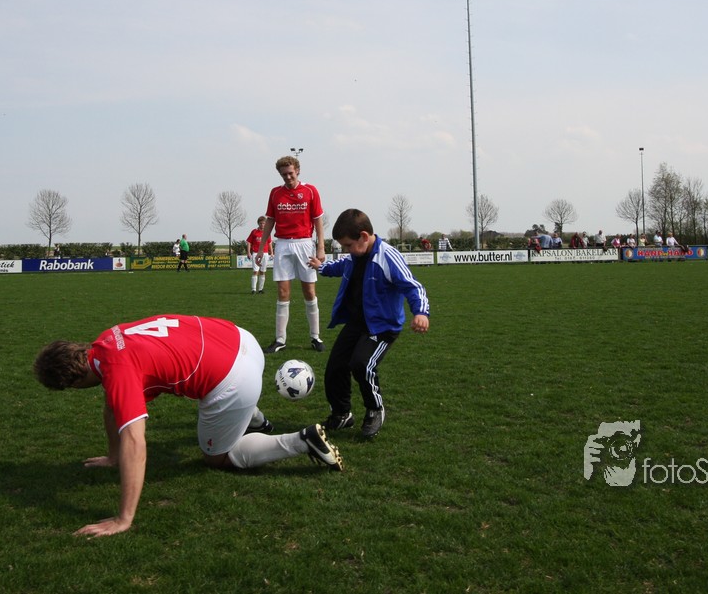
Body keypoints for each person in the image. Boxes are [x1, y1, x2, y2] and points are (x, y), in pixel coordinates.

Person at [33, 314, 343, 537]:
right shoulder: (103, 343)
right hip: (240, 338)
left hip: (234, 379)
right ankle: (253, 417)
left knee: (217, 457)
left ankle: (301, 441)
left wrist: (123, 518)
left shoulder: (117, 371)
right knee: (221, 396)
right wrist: (112, 457)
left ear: (73, 383)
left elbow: (136, 442)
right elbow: (112, 405)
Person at [309, 209, 430, 439]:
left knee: (362, 365)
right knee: (335, 367)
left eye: (348, 245)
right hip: (357, 323)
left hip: (383, 327)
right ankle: (341, 414)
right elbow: (340, 266)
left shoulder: (388, 256)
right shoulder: (355, 256)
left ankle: (375, 409)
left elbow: (413, 287)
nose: (347, 250)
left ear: (364, 236)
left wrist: (421, 313)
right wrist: (321, 267)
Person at [258, 155, 326, 353]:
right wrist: (262, 247)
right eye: (283, 175)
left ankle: (315, 337)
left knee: (309, 291)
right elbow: (270, 221)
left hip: (305, 244)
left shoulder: (310, 191)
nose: (287, 177)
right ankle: (280, 339)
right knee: (282, 292)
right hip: (283, 245)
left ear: (297, 170)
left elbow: (318, 220)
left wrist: (321, 247)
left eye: (290, 173)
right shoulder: (275, 193)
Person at [244, 217, 272, 294]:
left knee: (262, 271)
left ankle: (260, 289)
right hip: (256, 253)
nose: (262, 225)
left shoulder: (267, 232)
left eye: (263, 223)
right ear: (258, 223)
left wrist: (272, 252)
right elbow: (249, 242)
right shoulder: (254, 232)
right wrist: (248, 252)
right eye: (261, 223)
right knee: (255, 271)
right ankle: (253, 289)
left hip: (265, 253)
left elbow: (269, 243)